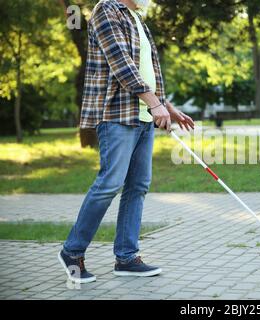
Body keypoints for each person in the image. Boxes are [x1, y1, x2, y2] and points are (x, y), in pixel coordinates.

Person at [58, 0, 195, 283]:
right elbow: (122, 65)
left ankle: (127, 257)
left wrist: (164, 105)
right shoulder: (106, 10)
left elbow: (145, 71)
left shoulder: (136, 18)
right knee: (110, 183)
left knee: (138, 186)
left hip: (144, 116)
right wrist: (155, 105)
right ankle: (72, 252)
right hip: (116, 113)